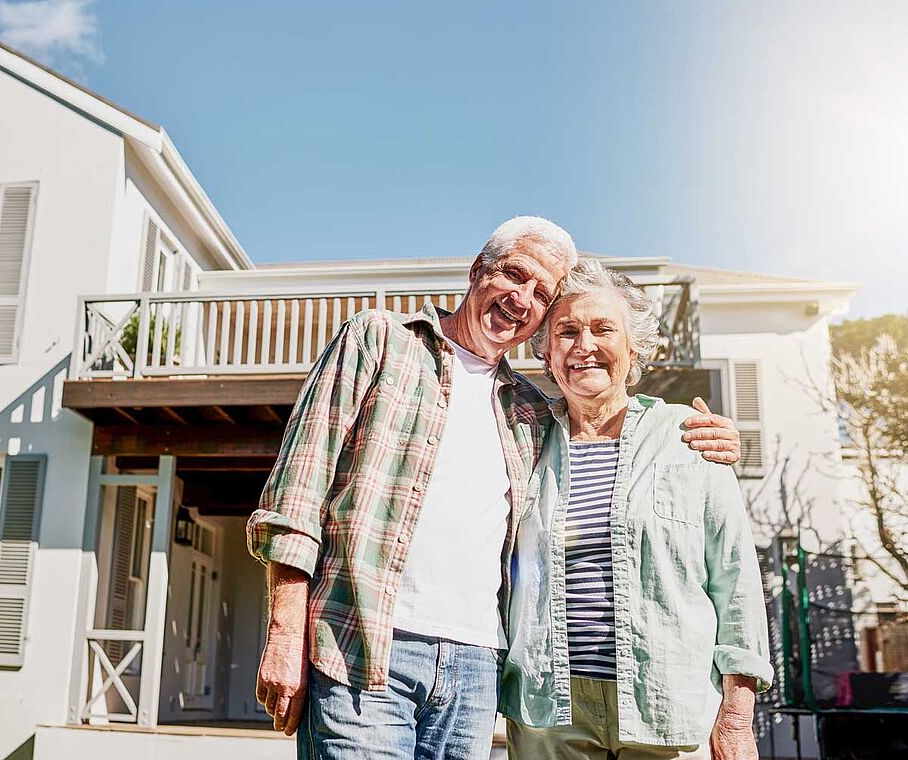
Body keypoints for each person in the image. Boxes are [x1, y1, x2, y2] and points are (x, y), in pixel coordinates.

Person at [247, 218, 742, 760]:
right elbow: (296, 494)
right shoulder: (380, 341)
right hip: (362, 646)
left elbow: (622, 432)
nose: (522, 298)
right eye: (513, 274)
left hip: (478, 668)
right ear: (477, 270)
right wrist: (284, 630)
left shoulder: (526, 409)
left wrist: (715, 438)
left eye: (541, 293)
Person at [501, 257, 772, 760]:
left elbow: (736, 580)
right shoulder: (523, 438)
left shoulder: (689, 437)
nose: (585, 347)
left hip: (666, 698)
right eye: (566, 332)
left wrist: (737, 714)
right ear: (544, 351)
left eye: (604, 329)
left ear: (633, 347)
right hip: (546, 707)